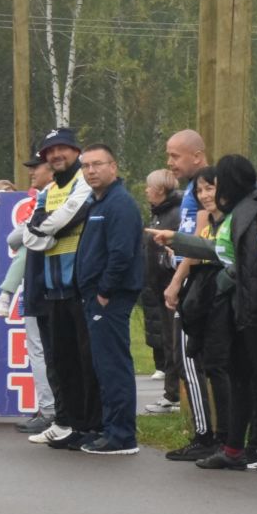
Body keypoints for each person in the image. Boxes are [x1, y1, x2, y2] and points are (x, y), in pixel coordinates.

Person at [159, 155, 257, 472]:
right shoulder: (236, 209)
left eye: (218, 183)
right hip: (238, 305)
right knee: (239, 377)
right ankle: (234, 449)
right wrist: (179, 240)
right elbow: (221, 252)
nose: (214, 191)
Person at [21, 127, 99, 450]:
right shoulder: (49, 189)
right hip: (53, 286)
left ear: (76, 151)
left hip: (79, 284)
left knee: (87, 361)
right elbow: (29, 235)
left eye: (62, 149)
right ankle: (71, 424)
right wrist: (48, 229)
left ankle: (92, 425)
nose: (56, 155)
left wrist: (46, 228)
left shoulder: (84, 182)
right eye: (50, 152)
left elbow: (70, 216)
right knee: (63, 362)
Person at [72, 144, 145, 454]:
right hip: (95, 296)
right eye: (86, 165)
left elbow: (121, 253)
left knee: (113, 365)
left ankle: (122, 435)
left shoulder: (120, 204)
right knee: (103, 365)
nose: (91, 171)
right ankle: (108, 427)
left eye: (97, 164)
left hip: (110, 298)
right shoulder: (97, 203)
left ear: (113, 167)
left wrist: (104, 291)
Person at [160, 130, 217, 459]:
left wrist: (177, 279)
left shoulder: (202, 190)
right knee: (192, 361)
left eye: (176, 156)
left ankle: (205, 434)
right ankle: (209, 433)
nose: (170, 163)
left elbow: (198, 239)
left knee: (191, 362)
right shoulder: (190, 193)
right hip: (191, 280)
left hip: (195, 282)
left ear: (197, 156)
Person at [0, 156, 58, 436]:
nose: (31, 172)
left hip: (45, 284)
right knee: (47, 351)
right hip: (45, 282)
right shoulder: (49, 196)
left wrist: (24, 233)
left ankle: (50, 410)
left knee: (42, 351)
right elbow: (14, 239)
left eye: (37, 167)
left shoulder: (50, 197)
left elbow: (17, 237)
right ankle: (53, 408)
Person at [138, 169, 184, 413]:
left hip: (170, 285)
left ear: (160, 189)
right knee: (167, 341)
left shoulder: (174, 214)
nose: (146, 191)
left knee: (175, 342)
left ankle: (176, 395)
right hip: (157, 287)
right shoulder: (158, 214)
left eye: (149, 186)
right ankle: (171, 393)